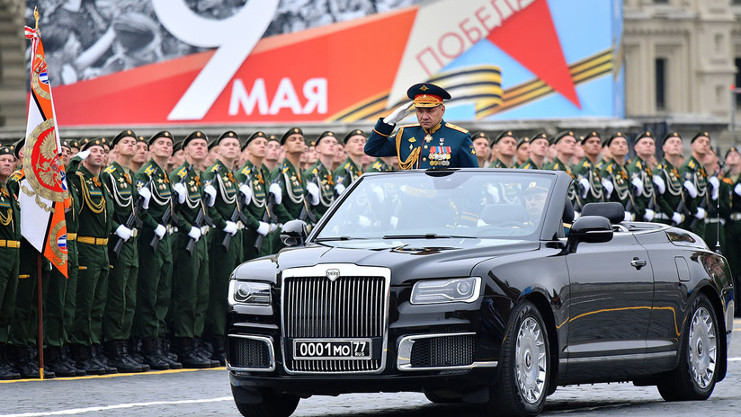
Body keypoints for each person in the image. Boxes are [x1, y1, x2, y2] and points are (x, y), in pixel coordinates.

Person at [99, 130, 147, 373]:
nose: (132, 145)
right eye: (126, 142)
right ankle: (114, 348)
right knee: (117, 297)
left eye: (134, 142)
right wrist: (117, 229)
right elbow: (104, 211)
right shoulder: (110, 175)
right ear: (115, 148)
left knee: (130, 298)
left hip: (133, 245)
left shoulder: (130, 176)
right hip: (118, 243)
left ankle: (124, 346)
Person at [68, 138, 116, 375]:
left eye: (103, 151)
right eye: (93, 151)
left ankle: (94, 349)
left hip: (103, 248)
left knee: (98, 303)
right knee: (84, 303)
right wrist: (76, 158)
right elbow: (64, 175)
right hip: (85, 246)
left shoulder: (102, 182)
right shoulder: (78, 179)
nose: (99, 154)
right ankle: (80, 351)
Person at [168, 131, 214, 369]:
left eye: (203, 145)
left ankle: (195, 340)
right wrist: (188, 228)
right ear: (185, 151)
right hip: (187, 241)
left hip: (201, 240)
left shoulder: (198, 176)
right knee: (187, 293)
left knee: (201, 293)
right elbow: (171, 211)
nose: (199, 148)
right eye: (194, 144)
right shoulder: (179, 175)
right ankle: (184, 344)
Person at [134, 131, 180, 371]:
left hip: (165, 241)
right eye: (160, 143)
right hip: (151, 241)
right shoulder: (145, 175)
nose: (165, 146)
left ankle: (160, 343)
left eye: (169, 144)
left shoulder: (164, 176)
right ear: (151, 149)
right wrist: (154, 226)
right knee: (150, 294)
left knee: (163, 293)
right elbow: (140, 211)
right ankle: (149, 345)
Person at [365, 82, 477, 169]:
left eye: (430, 111)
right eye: (420, 111)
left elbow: (470, 176)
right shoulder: (405, 134)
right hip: (411, 197)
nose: (424, 116)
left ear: (442, 110)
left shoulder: (459, 136)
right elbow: (372, 149)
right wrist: (388, 122)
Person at [202, 131, 243, 365]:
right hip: (220, 240)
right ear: (218, 150)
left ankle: (226, 339)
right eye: (226, 144)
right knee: (221, 290)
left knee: (231, 291)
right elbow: (208, 209)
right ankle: (218, 341)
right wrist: (222, 224)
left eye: (234, 145)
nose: (231, 148)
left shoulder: (231, 175)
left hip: (233, 238)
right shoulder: (213, 174)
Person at [236, 131, 280, 261]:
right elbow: (240, 209)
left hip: (265, 234)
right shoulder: (243, 175)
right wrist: (257, 225)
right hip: (250, 235)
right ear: (248, 149)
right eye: (258, 143)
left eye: (265, 144)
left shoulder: (264, 173)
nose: (262, 146)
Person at [0, 145, 20, 380]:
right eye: (3, 159)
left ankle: (3, 357)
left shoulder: (10, 193)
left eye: (10, 160)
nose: (7, 163)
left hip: (13, 255)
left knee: (7, 308)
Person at [679, 132, 711, 234]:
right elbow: (686, 196)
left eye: (707, 142)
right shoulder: (688, 167)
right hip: (690, 219)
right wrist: (695, 211)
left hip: (699, 221)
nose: (704, 144)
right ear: (692, 145)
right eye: (701, 141)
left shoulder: (700, 168)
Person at [304, 131, 340, 220]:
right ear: (318, 148)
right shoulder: (311, 175)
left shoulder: (332, 174)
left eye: (334, 143)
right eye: (327, 142)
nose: (331, 145)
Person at [625, 131, 658, 222]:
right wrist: (643, 211)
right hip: (638, 217)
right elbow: (633, 194)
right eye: (644, 143)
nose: (648, 145)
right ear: (636, 148)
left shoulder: (645, 167)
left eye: (651, 143)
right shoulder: (634, 167)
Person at [600, 132, 632, 221]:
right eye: (616, 143)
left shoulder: (626, 169)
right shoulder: (607, 171)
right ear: (610, 149)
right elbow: (605, 199)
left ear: (627, 149)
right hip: (615, 219)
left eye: (624, 143)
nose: (621, 146)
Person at [654, 132, 684, 226]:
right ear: (664, 148)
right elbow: (658, 197)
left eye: (678, 142)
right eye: (672, 142)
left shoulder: (675, 170)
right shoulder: (660, 170)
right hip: (663, 220)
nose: (675, 144)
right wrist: (672, 214)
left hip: (675, 220)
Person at [545, 131, 579, 210]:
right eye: (568, 141)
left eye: (574, 142)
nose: (572, 144)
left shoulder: (571, 169)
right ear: (557, 146)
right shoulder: (553, 169)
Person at [572, 131, 605, 206]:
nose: (595, 144)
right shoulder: (581, 168)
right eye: (591, 142)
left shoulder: (594, 167)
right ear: (583, 147)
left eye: (598, 142)